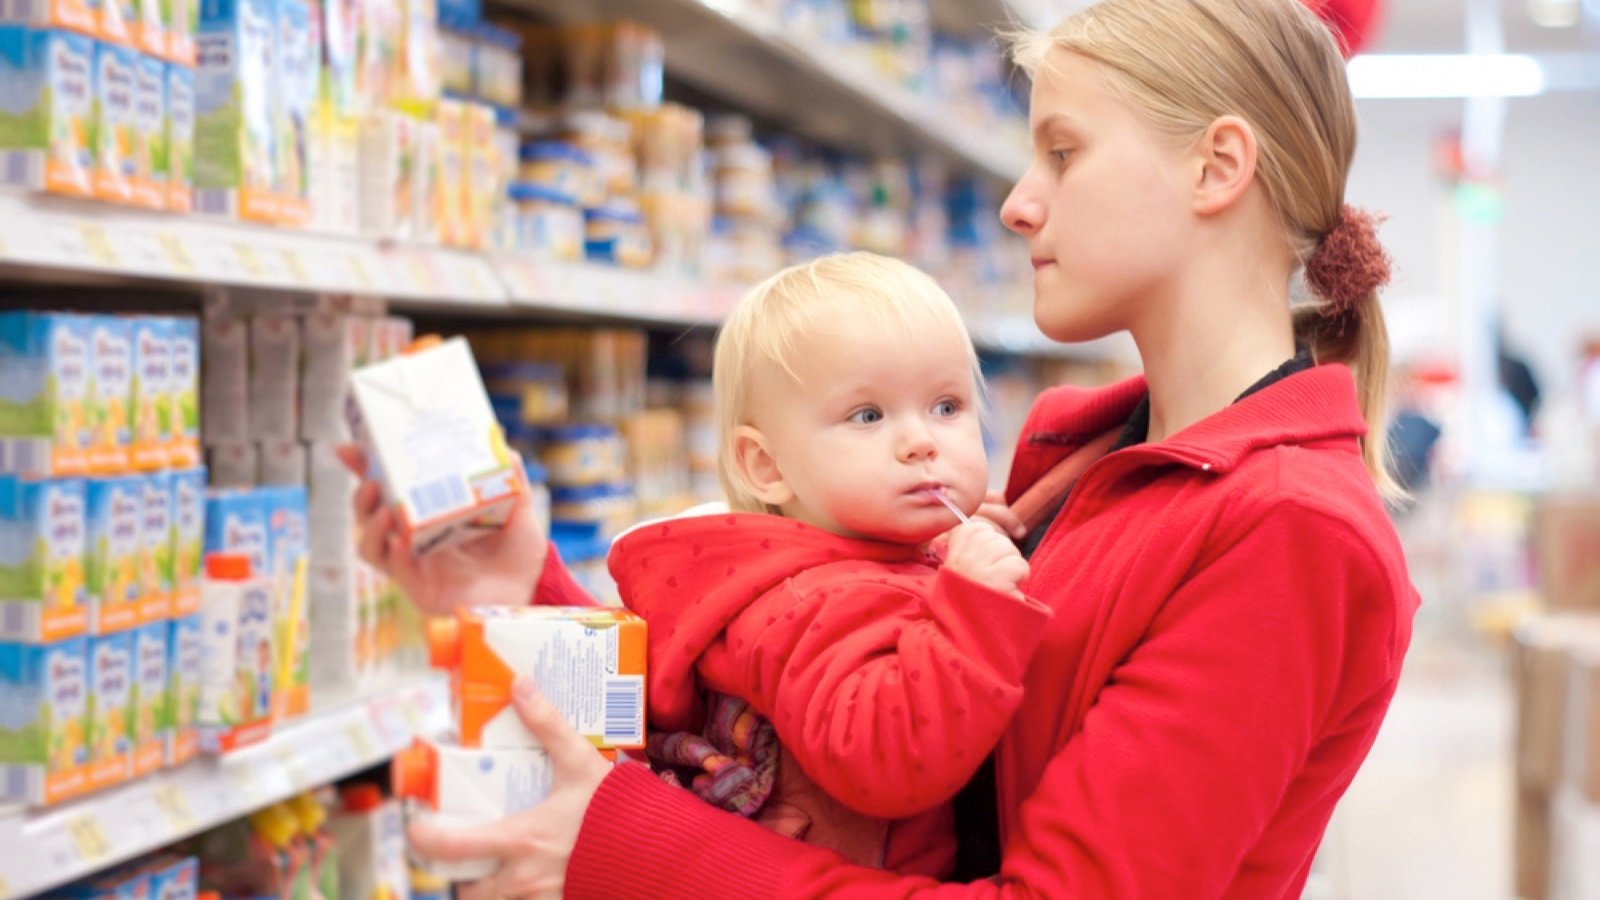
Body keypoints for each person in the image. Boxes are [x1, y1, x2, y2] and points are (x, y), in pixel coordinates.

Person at [349, 0, 1421, 894]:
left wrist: (626, 842)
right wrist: (515, 592)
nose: (1017, 203)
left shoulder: (1286, 530)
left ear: (1216, 166)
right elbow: (776, 721)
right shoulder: (1079, 469)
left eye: (1062, 151)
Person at [612, 252, 1043, 876]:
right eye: (867, 416)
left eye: (946, 406)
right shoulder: (806, 603)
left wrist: (947, 549)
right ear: (767, 467)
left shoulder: (854, 560)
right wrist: (972, 609)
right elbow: (888, 759)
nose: (922, 441)